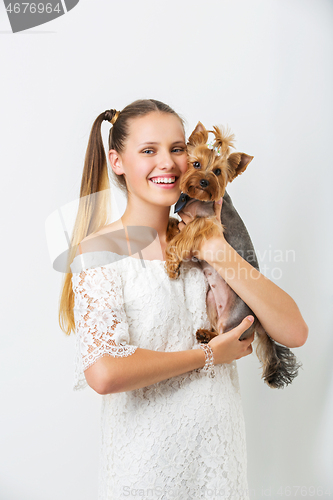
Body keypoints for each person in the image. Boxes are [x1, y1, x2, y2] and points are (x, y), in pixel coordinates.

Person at [58, 99, 308, 499]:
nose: (168, 163)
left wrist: (219, 250)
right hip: (147, 470)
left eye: (177, 149)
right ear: (117, 161)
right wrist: (209, 355)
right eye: (148, 151)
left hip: (220, 464)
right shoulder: (100, 250)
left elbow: (293, 331)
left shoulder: (207, 239)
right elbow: (104, 373)